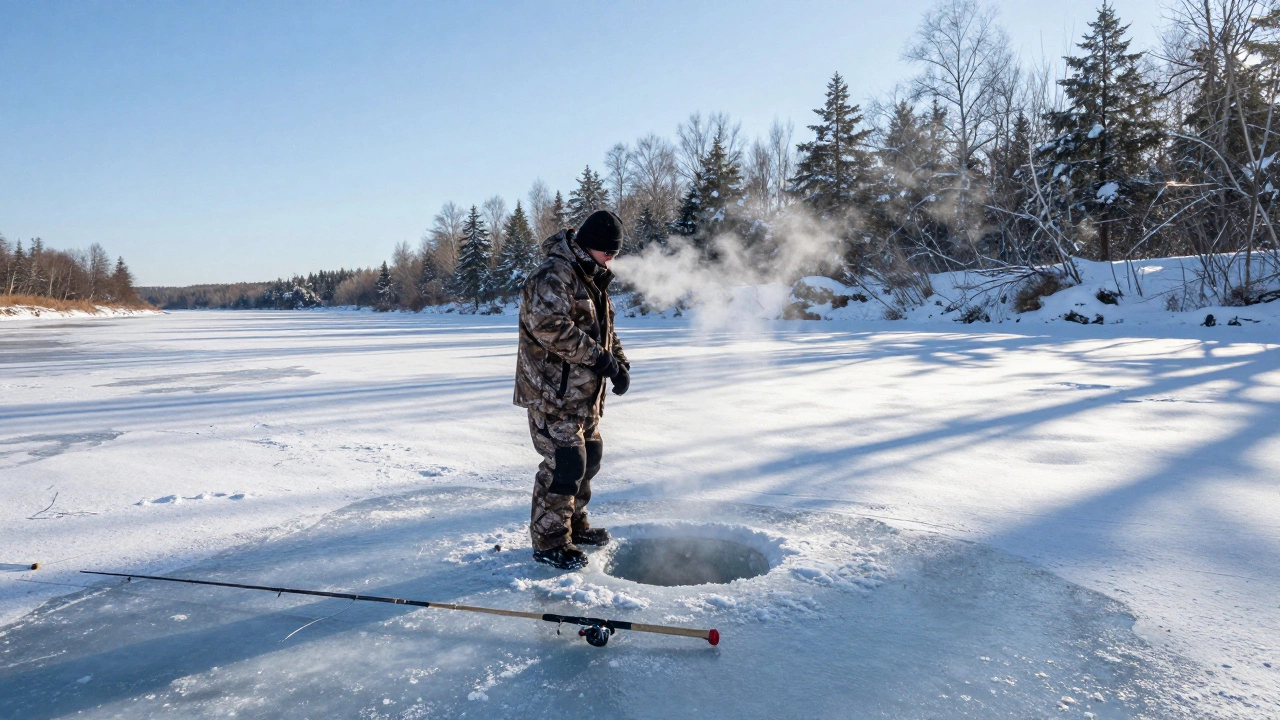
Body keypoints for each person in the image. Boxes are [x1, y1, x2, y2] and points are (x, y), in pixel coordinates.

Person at [513, 209, 630, 570]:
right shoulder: (553, 274)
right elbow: (550, 328)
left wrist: (620, 363)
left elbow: (604, 332)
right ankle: (549, 542)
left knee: (589, 458)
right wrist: (601, 360)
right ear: (590, 245)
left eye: (614, 254)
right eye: (608, 252)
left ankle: (574, 526)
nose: (612, 260)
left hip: (583, 396)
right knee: (565, 465)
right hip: (552, 394)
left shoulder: (591, 277)